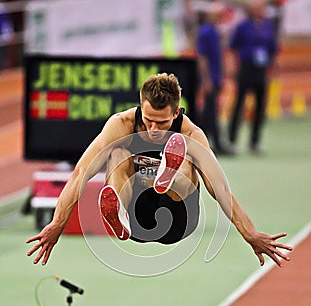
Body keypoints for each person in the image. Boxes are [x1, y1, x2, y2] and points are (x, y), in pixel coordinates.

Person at [26, 73, 292, 267]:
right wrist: (57, 223)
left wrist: (250, 233)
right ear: (140, 106)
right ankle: (118, 209)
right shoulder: (121, 124)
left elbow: (219, 188)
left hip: (179, 217)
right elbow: (81, 172)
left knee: (187, 156)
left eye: (162, 123)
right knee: (118, 153)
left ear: (176, 113)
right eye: (148, 120)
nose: (153, 129)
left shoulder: (191, 133)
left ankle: (170, 176)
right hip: (138, 217)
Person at [227, 0, 278, 154]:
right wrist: (232, 66)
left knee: (260, 106)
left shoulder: (268, 26)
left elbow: (273, 48)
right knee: (239, 104)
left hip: (261, 69)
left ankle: (255, 141)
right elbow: (232, 47)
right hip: (246, 68)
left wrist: (273, 67)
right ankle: (232, 140)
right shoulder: (242, 26)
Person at [196, 2, 233, 155]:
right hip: (211, 77)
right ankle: (215, 143)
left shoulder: (215, 32)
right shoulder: (206, 32)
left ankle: (204, 142)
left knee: (210, 111)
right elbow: (202, 58)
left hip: (215, 76)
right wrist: (206, 79)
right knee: (210, 112)